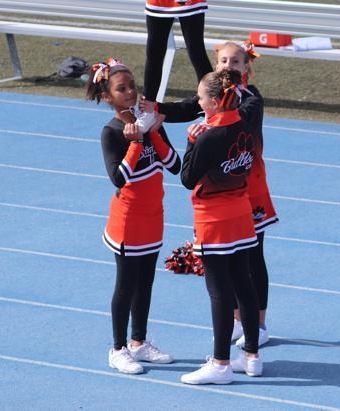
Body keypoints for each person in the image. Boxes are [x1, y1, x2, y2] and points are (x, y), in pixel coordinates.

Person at [143, 41, 277, 348]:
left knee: (252, 257)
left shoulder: (251, 100)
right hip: (223, 189)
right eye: (223, 60)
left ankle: (259, 322)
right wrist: (157, 109)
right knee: (228, 259)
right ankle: (234, 320)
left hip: (250, 187)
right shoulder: (214, 98)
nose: (228, 65)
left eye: (235, 61)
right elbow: (191, 105)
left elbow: (232, 125)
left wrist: (203, 130)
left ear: (247, 68)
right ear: (215, 66)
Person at [86, 58, 179, 375]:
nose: (129, 92)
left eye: (132, 87)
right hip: (128, 222)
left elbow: (175, 165)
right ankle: (118, 348)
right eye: (120, 89)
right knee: (126, 285)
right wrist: (136, 142)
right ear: (108, 97)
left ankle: (139, 342)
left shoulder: (152, 123)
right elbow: (119, 177)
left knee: (147, 283)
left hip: (154, 217)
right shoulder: (111, 133)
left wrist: (152, 132)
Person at [178, 68, 263, 385]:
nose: (197, 101)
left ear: (213, 101)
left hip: (213, 218)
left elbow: (187, 179)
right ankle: (252, 356)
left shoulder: (208, 136)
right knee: (244, 283)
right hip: (241, 214)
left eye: (200, 96)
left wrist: (190, 140)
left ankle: (221, 363)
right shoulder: (245, 124)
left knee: (219, 291)